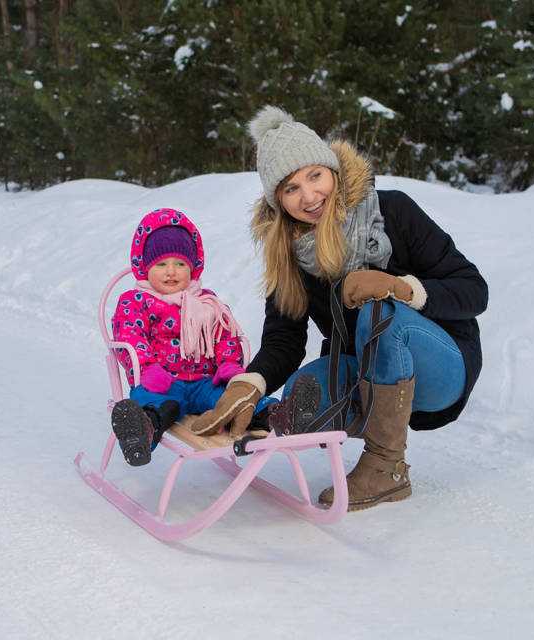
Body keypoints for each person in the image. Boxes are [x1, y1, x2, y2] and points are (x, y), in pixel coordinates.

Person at [192, 106, 488, 510]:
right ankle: (359, 429)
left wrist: (400, 288)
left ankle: (387, 468)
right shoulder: (289, 254)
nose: (309, 196)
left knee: (378, 313)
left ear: (332, 170)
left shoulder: (393, 212)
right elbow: (285, 339)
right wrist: (252, 382)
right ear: (277, 199)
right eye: (291, 188)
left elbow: (474, 290)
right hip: (370, 371)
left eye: (314, 176)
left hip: (441, 365)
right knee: (301, 395)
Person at [110, 208, 276, 466]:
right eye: (161, 264)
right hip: (162, 381)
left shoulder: (205, 301)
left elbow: (225, 334)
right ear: (145, 267)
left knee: (229, 397)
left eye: (180, 264)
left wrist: (228, 364)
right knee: (153, 402)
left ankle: (272, 414)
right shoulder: (137, 301)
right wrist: (146, 368)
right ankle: (143, 428)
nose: (171, 272)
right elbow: (129, 335)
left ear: (193, 267)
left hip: (204, 382)